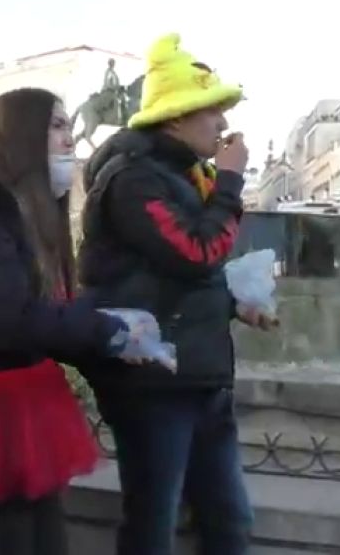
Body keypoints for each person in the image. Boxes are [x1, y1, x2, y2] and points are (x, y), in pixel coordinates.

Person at [0, 87, 166, 555]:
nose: (69, 140)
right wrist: (105, 330)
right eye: (57, 125)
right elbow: (4, 318)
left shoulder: (17, 207)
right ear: (22, 133)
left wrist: (111, 333)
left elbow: (31, 310)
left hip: (13, 403)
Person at [78, 33, 270, 554]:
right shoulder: (134, 179)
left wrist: (234, 306)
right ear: (177, 118)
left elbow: (175, 278)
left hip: (201, 377)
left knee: (230, 520)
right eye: (213, 112)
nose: (224, 125)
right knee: (153, 522)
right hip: (155, 385)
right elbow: (195, 251)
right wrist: (230, 184)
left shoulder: (183, 176)